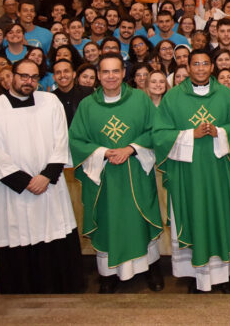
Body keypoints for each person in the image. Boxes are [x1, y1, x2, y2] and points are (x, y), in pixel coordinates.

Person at [0, 59, 84, 293]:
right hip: (13, 192)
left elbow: (61, 140)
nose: (28, 82)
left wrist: (47, 175)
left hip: (49, 186)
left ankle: (62, 289)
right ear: (10, 77)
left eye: (34, 77)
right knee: (18, 236)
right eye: (23, 76)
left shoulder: (50, 102)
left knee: (54, 232)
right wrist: (25, 182)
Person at [154, 50, 230, 293]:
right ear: (188, 65)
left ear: (212, 67)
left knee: (219, 217)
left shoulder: (226, 95)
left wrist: (221, 132)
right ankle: (196, 276)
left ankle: (223, 275)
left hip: (219, 173)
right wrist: (189, 135)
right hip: (188, 174)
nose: (201, 68)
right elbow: (160, 134)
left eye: (206, 63)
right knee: (194, 216)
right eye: (196, 63)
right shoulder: (173, 97)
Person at [68, 54, 163, 293]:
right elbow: (76, 140)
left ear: (123, 73)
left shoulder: (140, 99)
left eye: (115, 71)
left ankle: (151, 268)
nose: (110, 76)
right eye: (105, 72)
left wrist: (130, 149)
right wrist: (104, 152)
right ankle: (107, 274)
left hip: (136, 171)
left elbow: (156, 130)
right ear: (98, 76)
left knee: (139, 220)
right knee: (108, 220)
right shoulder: (88, 105)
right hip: (104, 176)